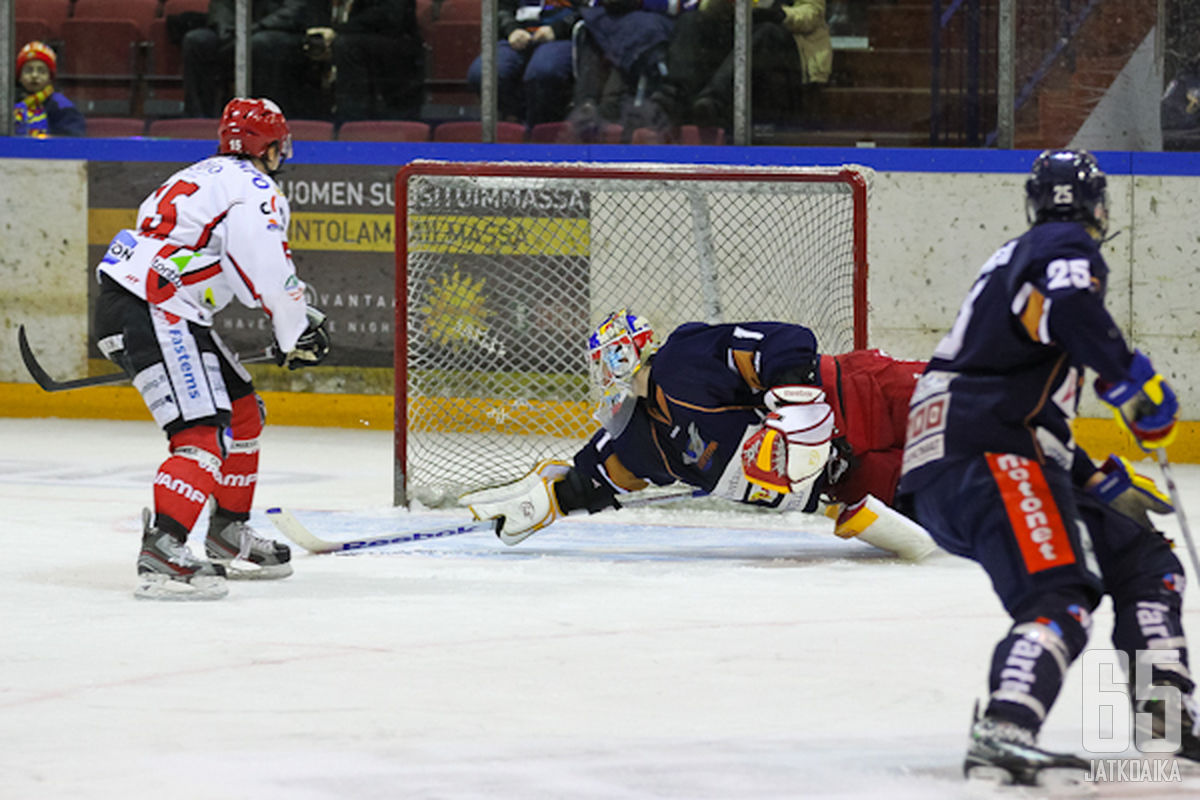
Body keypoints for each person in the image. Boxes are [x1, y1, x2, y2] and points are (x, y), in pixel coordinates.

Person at [897, 149, 1198, 785]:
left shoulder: (1018, 257)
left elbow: (1023, 389)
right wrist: (1132, 384)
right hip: (987, 453)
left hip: (971, 452)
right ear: (1098, 207)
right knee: (1059, 596)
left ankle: (1166, 714)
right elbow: (1073, 311)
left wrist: (1096, 481)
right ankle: (1005, 727)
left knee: (1143, 557)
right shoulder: (1064, 245)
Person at [93, 97, 331, 601]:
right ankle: (164, 549)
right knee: (200, 435)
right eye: (279, 143)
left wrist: (292, 321)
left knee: (243, 412)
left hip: (151, 303)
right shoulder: (256, 188)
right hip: (157, 309)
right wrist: (293, 334)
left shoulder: (202, 173)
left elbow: (235, 275)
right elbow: (264, 273)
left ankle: (227, 533)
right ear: (268, 145)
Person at [463, 310, 937, 561]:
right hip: (847, 480)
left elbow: (786, 341)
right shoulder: (640, 440)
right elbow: (594, 480)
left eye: (609, 360)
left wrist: (798, 413)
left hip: (866, 396)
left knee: (982, 410)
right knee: (963, 494)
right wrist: (545, 501)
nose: (605, 374)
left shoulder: (683, 360)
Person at [654, 0, 830, 131]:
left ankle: (713, 102)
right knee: (691, 21)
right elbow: (706, 7)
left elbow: (813, 14)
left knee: (766, 32)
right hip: (737, 46)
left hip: (785, 52)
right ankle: (676, 94)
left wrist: (781, 14)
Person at [181, 0, 314, 118]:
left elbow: (296, 9)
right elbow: (221, 5)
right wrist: (226, 28)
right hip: (237, 30)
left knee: (259, 44)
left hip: (282, 31)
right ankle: (198, 117)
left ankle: (264, 117)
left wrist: (254, 28)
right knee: (196, 41)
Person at [305, 0, 425, 123]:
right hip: (349, 37)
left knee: (346, 46)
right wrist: (318, 33)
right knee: (293, 44)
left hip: (391, 45)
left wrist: (337, 31)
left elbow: (389, 17)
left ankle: (353, 120)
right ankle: (302, 121)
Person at [467, 0, 582, 127]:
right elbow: (500, 8)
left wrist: (558, 29)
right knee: (482, 73)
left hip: (562, 37)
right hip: (517, 36)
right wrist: (511, 29)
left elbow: (590, 8)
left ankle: (540, 129)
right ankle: (517, 120)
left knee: (544, 71)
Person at [12, 41, 86, 137]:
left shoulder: (62, 106)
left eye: (41, 71)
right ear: (19, 77)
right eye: (28, 70)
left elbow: (73, 140)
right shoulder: (8, 104)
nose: (34, 75)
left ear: (50, 78)